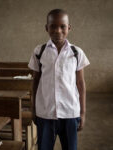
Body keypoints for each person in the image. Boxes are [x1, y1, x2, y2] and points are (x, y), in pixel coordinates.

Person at [28, 9, 90, 150]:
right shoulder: (39, 51)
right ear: (46, 28)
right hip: (45, 113)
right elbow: (35, 81)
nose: (58, 31)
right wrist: (33, 109)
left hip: (70, 112)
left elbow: (80, 84)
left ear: (69, 27)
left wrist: (82, 113)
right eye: (53, 26)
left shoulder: (76, 52)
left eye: (62, 26)